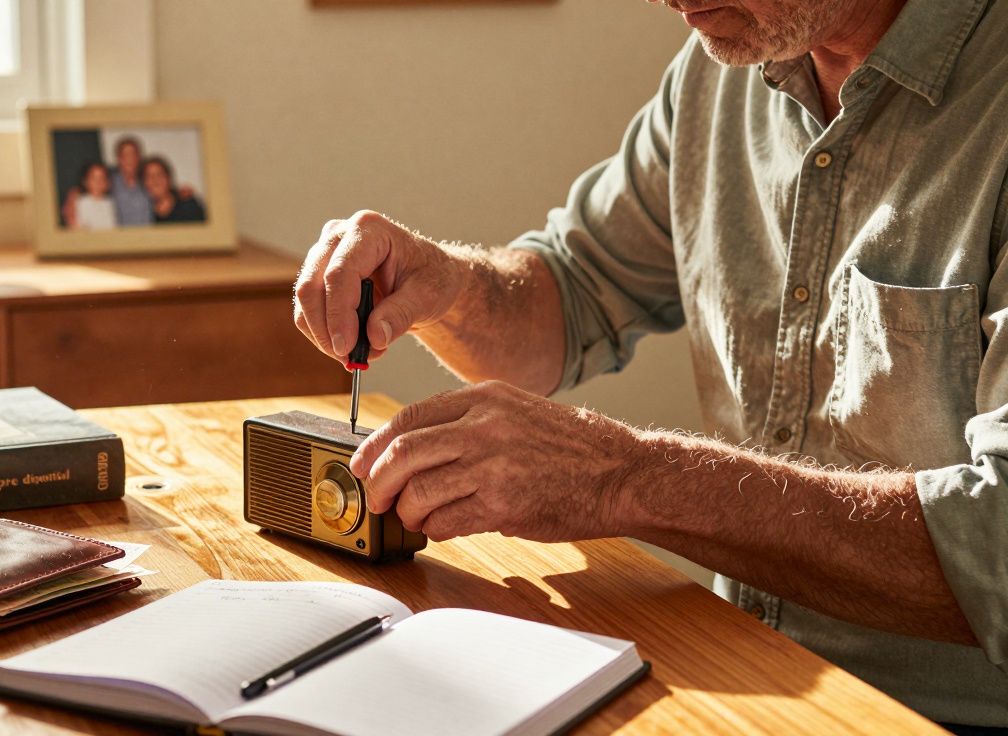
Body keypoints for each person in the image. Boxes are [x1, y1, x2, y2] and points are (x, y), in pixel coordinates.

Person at [291, 0, 1008, 731]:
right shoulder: (722, 68)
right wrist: (446, 287)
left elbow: (999, 546)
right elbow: (572, 294)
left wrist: (624, 478)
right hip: (742, 675)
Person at [141, 155, 207, 224]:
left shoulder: (189, 205)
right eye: (149, 176)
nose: (155, 180)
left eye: (159, 174)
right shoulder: (144, 214)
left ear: (169, 178)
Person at [72, 162, 116, 231]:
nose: (98, 182)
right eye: (93, 178)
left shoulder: (110, 203)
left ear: (107, 183)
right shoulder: (81, 203)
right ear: (85, 182)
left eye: (102, 178)